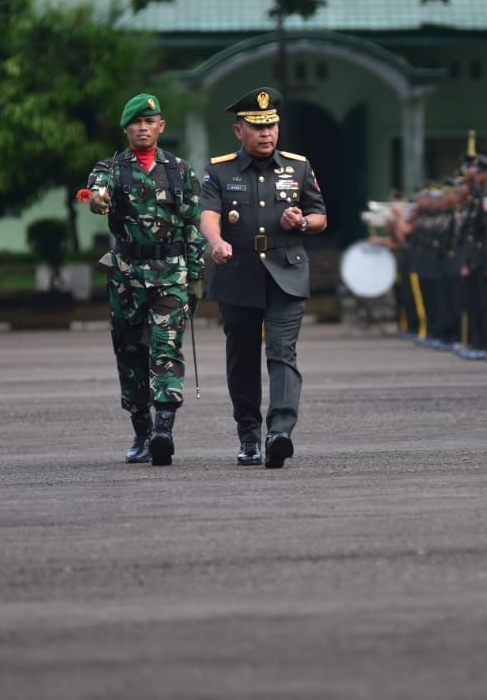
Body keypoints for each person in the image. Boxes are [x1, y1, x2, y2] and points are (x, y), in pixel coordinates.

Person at [200, 86, 327, 468]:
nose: (267, 133)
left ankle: (280, 432)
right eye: (257, 127)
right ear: (239, 131)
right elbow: (208, 214)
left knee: (282, 353)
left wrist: (302, 221)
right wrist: (216, 241)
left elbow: (320, 215)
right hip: (238, 273)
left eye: (272, 124)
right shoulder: (220, 170)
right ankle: (249, 436)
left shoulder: (298, 167)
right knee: (241, 357)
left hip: (286, 272)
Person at [86, 93, 205, 467]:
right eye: (135, 123)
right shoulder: (110, 168)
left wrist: (196, 277)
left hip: (170, 273)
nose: (142, 128)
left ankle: (163, 431)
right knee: (131, 354)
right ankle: (141, 430)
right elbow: (98, 191)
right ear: (126, 129)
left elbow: (193, 226)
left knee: (166, 349)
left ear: (160, 127)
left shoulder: (180, 171)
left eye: (149, 122)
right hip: (126, 278)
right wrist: (98, 199)